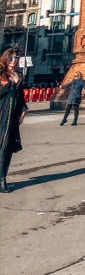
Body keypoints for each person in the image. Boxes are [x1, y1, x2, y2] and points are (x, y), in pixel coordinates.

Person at [0, 49, 28, 192]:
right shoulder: (1, 75)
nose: (14, 61)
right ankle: (1, 180)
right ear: (5, 59)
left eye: (16, 58)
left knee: (9, 146)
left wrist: (23, 110)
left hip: (14, 114)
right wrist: (9, 86)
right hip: (2, 111)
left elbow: (21, 95)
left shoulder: (19, 75)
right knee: (2, 145)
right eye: (10, 58)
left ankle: (3, 177)